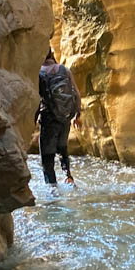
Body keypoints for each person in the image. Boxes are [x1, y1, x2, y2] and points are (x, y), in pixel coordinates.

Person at [36, 48, 81, 185]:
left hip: (48, 119)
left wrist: (34, 119)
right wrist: (77, 115)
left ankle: (53, 192)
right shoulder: (64, 70)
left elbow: (36, 98)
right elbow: (77, 94)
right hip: (65, 118)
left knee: (47, 158)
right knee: (62, 148)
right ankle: (68, 177)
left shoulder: (40, 72)